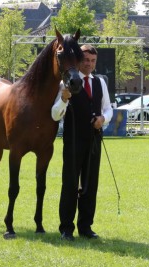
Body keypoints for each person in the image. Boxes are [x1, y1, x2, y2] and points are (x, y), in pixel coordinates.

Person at [52, 44, 113, 241]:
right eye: (86, 60)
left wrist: (103, 120)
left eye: (93, 61)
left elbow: (108, 109)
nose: (89, 64)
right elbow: (55, 115)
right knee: (70, 184)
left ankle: (86, 227)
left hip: (94, 140)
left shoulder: (100, 83)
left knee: (90, 185)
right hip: (73, 140)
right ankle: (66, 229)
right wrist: (63, 99)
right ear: (79, 61)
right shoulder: (67, 82)